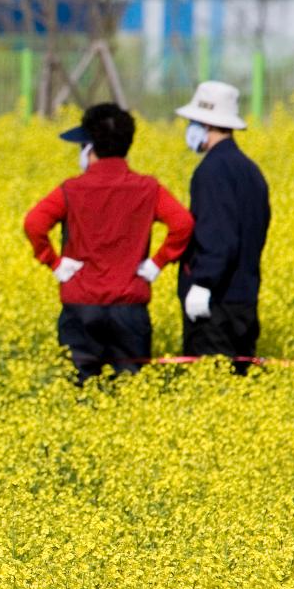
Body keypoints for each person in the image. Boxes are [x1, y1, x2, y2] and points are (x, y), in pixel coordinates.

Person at [24, 103, 194, 383]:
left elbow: (34, 223)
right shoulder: (148, 188)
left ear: (90, 147)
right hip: (129, 306)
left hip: (81, 304)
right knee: (130, 389)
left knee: (79, 387)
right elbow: (183, 224)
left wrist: (53, 261)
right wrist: (156, 263)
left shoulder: (72, 189)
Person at [175, 81, 271, 374]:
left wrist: (202, 283)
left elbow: (219, 237)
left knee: (213, 385)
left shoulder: (212, 171)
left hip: (216, 305)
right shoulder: (249, 169)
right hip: (244, 300)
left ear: (205, 123)